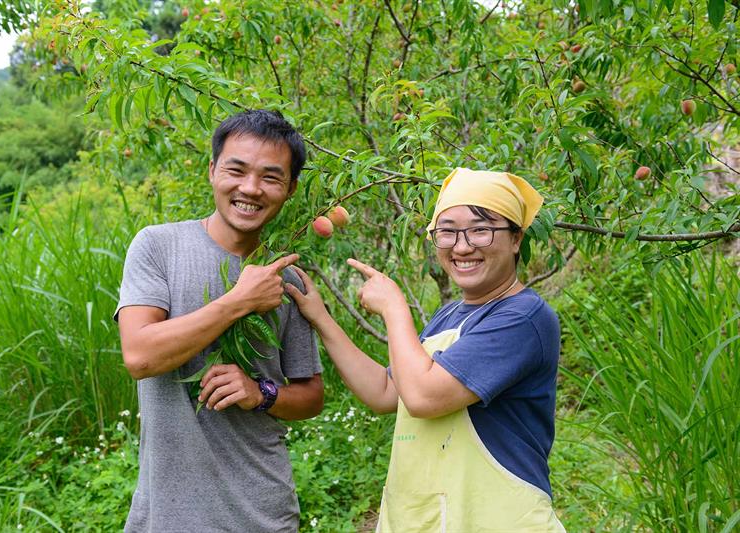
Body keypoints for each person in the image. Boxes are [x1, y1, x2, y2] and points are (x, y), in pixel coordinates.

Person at [285, 168, 566, 532]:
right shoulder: (449, 313)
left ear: (516, 238)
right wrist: (322, 319)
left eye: (481, 229)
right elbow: (388, 392)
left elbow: (421, 396)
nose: (462, 246)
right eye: (447, 231)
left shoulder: (523, 318)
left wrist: (393, 307)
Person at [115, 109, 324, 532]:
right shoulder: (157, 246)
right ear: (212, 171)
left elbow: (312, 396)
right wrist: (239, 301)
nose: (250, 188)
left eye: (270, 177)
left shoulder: (287, 277)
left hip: (264, 514)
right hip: (169, 517)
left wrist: (259, 393)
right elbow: (140, 356)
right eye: (236, 170)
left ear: (290, 189)